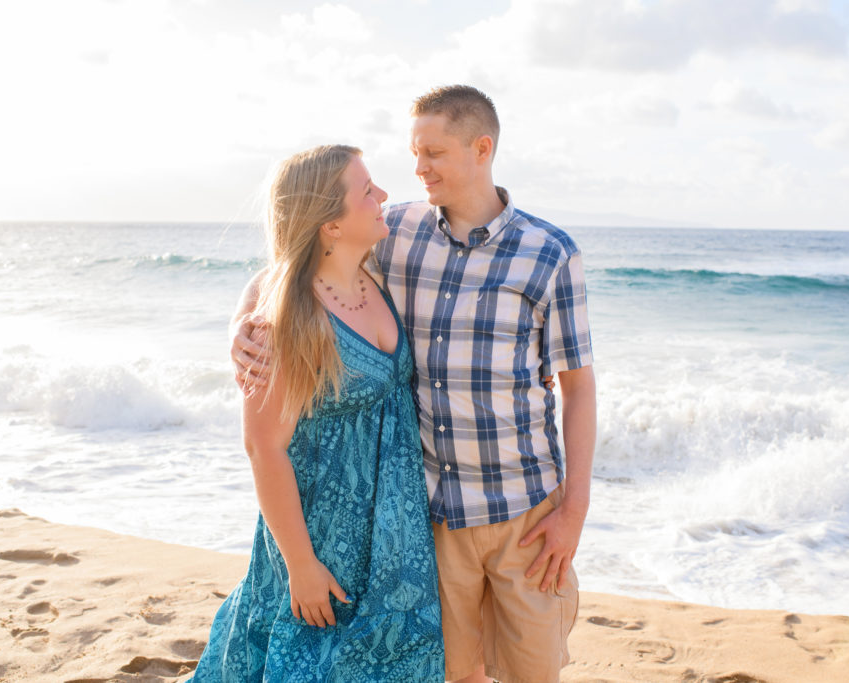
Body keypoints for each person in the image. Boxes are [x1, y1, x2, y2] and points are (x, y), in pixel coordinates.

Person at [232, 86, 596, 683]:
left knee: (534, 674)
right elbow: (292, 262)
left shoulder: (549, 253)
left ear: (482, 149)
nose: (417, 169)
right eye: (413, 153)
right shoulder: (395, 230)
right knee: (447, 673)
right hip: (432, 520)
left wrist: (574, 509)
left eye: (433, 153)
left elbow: (578, 388)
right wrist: (241, 326)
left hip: (525, 513)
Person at [194, 144, 444, 682]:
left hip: (393, 532)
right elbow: (264, 447)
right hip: (321, 535)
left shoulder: (376, 273)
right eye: (367, 190)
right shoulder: (289, 317)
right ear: (331, 224)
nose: (383, 196)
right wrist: (301, 566)